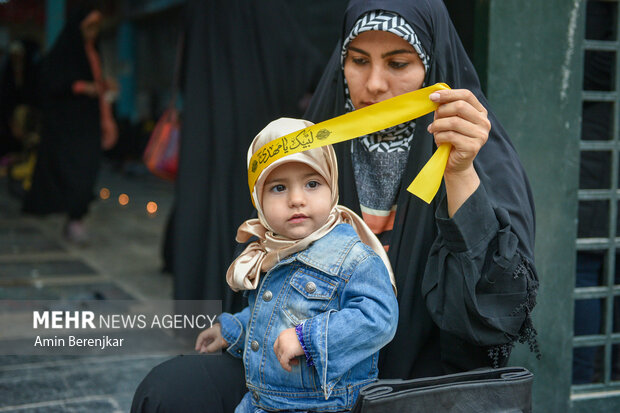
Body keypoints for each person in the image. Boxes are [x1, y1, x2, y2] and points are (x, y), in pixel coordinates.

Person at [132, 0, 538, 410]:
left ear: (432, 69)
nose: (374, 84)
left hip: (421, 383)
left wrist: (460, 173)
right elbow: (277, 270)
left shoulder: (475, 152)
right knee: (169, 392)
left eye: (398, 64)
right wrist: (242, 328)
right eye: (359, 60)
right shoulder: (317, 145)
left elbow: (499, 310)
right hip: (305, 376)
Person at [194, 117, 398, 412]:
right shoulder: (275, 249)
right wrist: (234, 330)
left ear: (332, 185)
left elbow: (379, 318)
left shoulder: (353, 257)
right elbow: (275, 313)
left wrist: (308, 339)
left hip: (324, 406)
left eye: (312, 183)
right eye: (278, 188)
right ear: (258, 197)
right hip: (260, 402)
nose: (297, 199)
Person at [21, 4, 118, 244]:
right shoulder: (64, 52)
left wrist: (108, 117)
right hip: (68, 127)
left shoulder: (94, 52)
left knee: (89, 171)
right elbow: (50, 84)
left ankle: (77, 217)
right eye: (89, 25)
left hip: (90, 123)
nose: (93, 31)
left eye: (97, 25)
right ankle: (74, 219)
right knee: (72, 172)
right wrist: (81, 87)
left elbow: (100, 91)